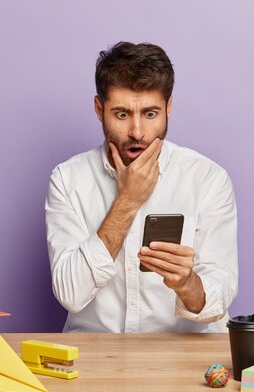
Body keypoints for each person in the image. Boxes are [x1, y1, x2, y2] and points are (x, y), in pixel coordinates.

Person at [45, 41, 238, 332]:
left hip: (185, 358)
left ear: (168, 108)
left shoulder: (208, 179)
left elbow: (220, 292)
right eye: (122, 114)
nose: (137, 132)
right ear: (99, 109)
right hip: (99, 356)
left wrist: (188, 285)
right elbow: (70, 294)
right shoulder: (68, 180)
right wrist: (128, 200)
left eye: (150, 114)